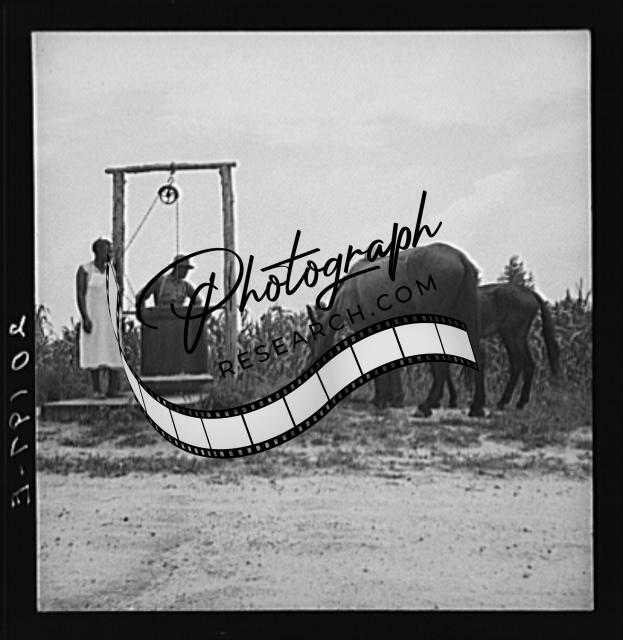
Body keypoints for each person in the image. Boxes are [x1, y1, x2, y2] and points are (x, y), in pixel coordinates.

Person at [76, 238, 122, 399]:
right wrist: (85, 317)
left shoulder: (112, 270)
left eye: (111, 251)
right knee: (94, 350)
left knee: (113, 350)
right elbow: (80, 294)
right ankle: (96, 389)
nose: (109, 254)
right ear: (97, 251)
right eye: (107, 251)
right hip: (93, 316)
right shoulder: (85, 270)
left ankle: (112, 389)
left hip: (110, 318)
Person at [135, 254, 202, 311]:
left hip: (179, 319)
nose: (186, 272)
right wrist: (144, 313)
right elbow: (140, 296)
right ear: (176, 267)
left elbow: (198, 301)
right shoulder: (160, 281)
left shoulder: (185, 285)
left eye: (187, 269)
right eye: (184, 268)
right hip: (161, 318)